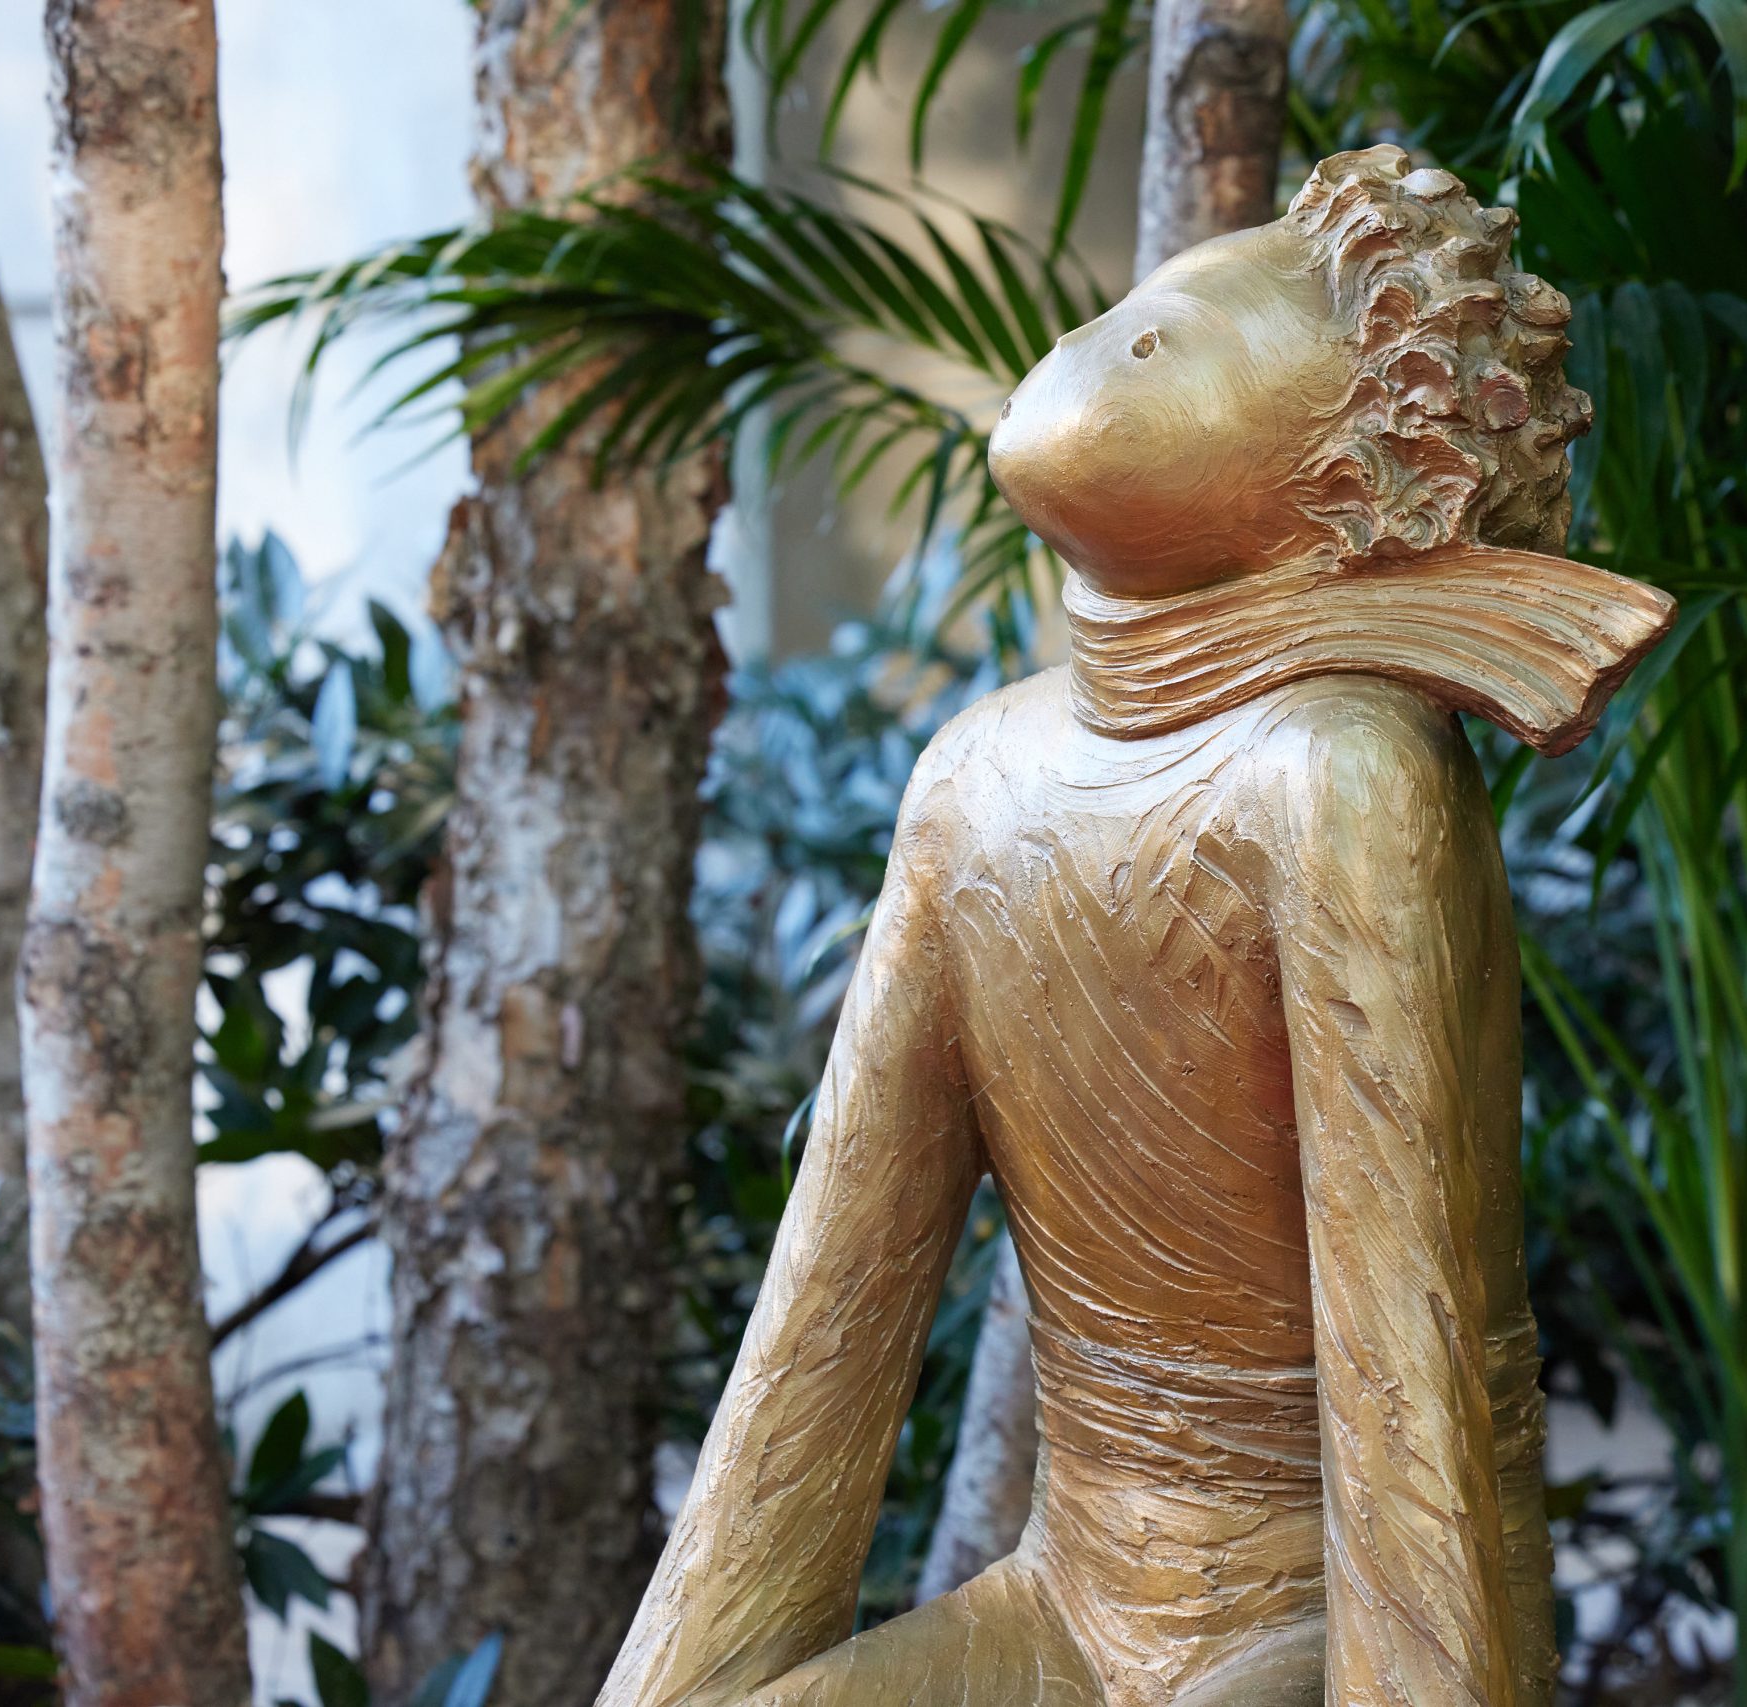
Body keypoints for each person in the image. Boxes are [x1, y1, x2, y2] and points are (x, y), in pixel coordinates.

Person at [596, 145, 1675, 1707]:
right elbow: (819, 1340)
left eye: (1191, 333)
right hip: (1069, 1601)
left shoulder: (1337, 774)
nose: (1117, 335)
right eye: (1141, 309)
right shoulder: (976, 774)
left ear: (1350, 493)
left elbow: (1414, 1379)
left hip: (1318, 1631)